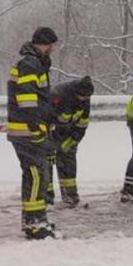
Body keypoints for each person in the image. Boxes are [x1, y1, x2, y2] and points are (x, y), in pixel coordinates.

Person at [7, 27, 59, 239]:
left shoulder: (33, 63)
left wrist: (48, 119)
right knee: (38, 175)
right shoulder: (30, 64)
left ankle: (33, 220)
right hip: (26, 131)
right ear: (46, 44)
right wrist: (36, 127)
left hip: (28, 129)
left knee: (34, 175)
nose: (54, 49)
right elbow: (27, 99)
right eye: (53, 45)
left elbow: (39, 99)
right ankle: (35, 223)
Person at [46, 76, 94, 208]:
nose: (84, 99)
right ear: (76, 92)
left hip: (69, 132)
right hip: (50, 131)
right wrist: (49, 138)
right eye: (82, 96)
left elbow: (83, 122)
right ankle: (46, 197)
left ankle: (70, 195)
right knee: (47, 161)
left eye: (87, 97)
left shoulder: (85, 97)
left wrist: (73, 140)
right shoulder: (58, 94)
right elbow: (46, 116)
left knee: (68, 162)